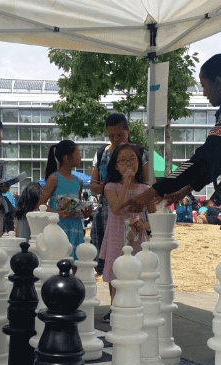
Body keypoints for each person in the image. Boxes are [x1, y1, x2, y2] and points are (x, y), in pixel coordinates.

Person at [119, 53, 221, 261]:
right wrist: (184, 190)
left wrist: (154, 190)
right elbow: (218, 160)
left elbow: (205, 158)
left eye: (205, 85)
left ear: (218, 82)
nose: (204, 92)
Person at [90, 113, 152, 275]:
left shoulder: (140, 152)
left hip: (136, 214)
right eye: (111, 135)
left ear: (128, 131)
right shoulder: (101, 153)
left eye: (120, 134)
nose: (116, 139)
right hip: (107, 213)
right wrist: (113, 187)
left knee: (136, 260)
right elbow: (93, 185)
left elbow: (148, 182)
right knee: (111, 261)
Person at [100, 143, 156, 322]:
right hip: (117, 237)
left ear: (139, 163)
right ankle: (115, 308)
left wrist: (145, 225)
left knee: (137, 273)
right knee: (116, 274)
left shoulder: (145, 189)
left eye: (132, 160)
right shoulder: (111, 186)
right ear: (116, 166)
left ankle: (134, 308)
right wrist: (125, 184)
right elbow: (116, 209)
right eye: (123, 161)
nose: (129, 164)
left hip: (137, 238)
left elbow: (154, 217)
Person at [37, 140, 89, 261]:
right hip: (58, 229)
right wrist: (58, 213)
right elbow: (40, 205)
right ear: (67, 158)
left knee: (76, 264)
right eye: (78, 154)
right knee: (59, 262)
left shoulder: (79, 182)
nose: (80, 157)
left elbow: (77, 206)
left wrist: (85, 213)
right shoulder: (54, 178)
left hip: (76, 229)